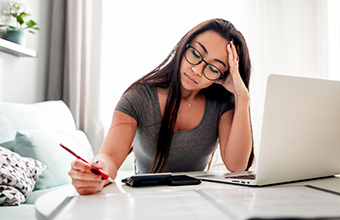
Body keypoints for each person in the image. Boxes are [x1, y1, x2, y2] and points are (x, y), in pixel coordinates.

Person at [69, 18, 254, 195]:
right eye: (196, 54)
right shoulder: (138, 98)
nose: (197, 70)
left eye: (213, 69)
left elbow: (236, 166)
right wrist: (95, 169)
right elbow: (109, 157)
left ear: (224, 75)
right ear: (184, 46)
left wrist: (242, 97)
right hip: (146, 200)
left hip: (197, 201)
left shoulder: (222, 104)